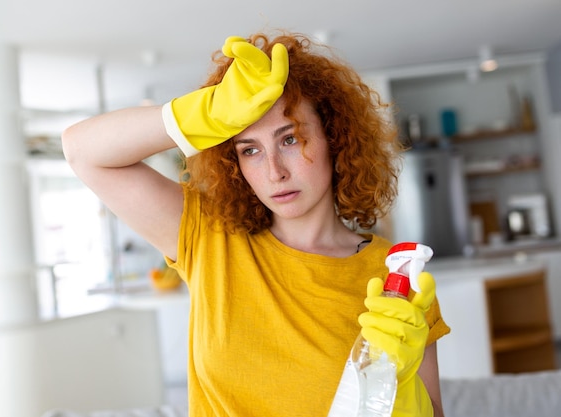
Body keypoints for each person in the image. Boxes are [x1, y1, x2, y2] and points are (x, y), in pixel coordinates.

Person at [62, 31, 450, 417]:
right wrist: (204, 113)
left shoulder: (396, 274)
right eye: (250, 150)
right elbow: (82, 152)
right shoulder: (210, 238)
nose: (274, 172)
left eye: (290, 139)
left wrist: (400, 388)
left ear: (335, 138)